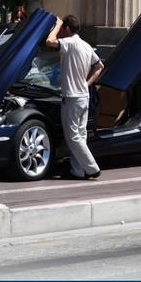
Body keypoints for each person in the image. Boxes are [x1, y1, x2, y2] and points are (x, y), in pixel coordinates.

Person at [46, 15, 104, 180]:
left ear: (67, 29)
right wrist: (87, 83)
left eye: (63, 28)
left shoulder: (69, 43)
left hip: (72, 96)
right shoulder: (87, 46)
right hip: (84, 96)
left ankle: (92, 168)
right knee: (80, 135)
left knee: (72, 135)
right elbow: (100, 66)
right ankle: (77, 171)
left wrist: (56, 25)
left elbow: (50, 41)